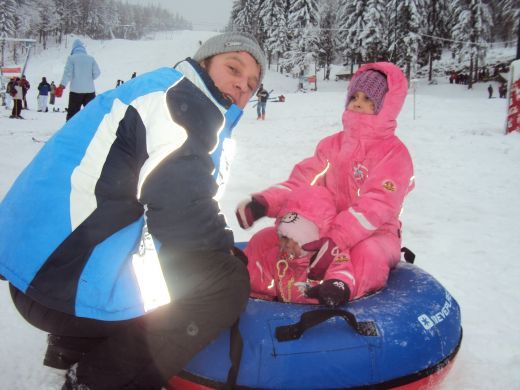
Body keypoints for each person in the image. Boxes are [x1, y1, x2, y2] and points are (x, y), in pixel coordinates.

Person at [0, 32, 266, 389]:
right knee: (224, 284)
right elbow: (182, 211)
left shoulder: (164, 91)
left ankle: (74, 343)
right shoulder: (181, 102)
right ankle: (97, 381)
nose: (242, 86)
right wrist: (226, 253)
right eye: (233, 68)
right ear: (204, 63)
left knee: (176, 259)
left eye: (251, 83)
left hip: (37, 271)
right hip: (60, 283)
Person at [236, 62, 415, 307]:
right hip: (327, 227)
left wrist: (337, 239)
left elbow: (377, 205)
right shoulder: (332, 145)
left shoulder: (393, 153)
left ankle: (340, 291)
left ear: (386, 105)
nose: (359, 103)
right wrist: (265, 203)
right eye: (354, 96)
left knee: (365, 255)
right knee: (269, 239)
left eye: (369, 99)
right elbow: (302, 182)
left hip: (376, 233)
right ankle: (252, 284)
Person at [246, 186, 353, 306]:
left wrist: (335, 286)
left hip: (317, 313)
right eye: (283, 238)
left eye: (295, 240)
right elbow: (260, 284)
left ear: (309, 240)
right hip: (284, 313)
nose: (286, 245)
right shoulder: (276, 255)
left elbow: (341, 271)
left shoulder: (329, 255)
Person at [59, 39, 101, 121]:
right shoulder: (90, 58)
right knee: (91, 113)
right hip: (90, 91)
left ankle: (70, 131)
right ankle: (92, 130)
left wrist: (62, 85)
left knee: (73, 114)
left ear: (73, 48)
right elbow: (97, 73)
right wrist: (89, 79)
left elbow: (68, 73)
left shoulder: (71, 58)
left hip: (75, 91)